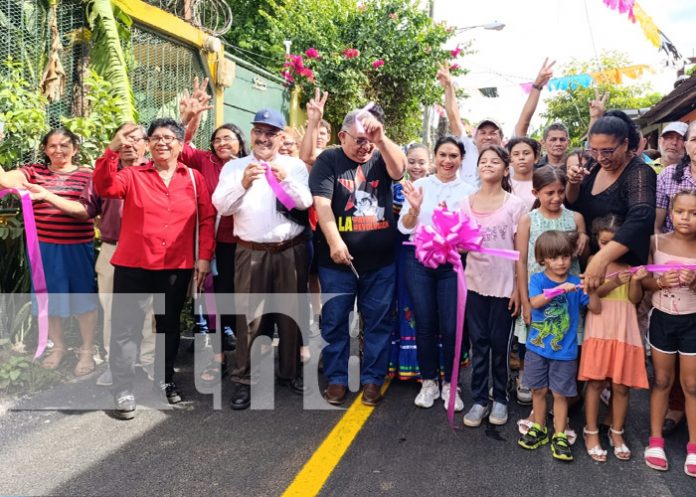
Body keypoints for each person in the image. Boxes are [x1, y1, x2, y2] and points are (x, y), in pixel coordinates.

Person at [94, 120, 215, 419]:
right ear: (147, 144)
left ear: (179, 144)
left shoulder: (195, 178)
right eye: (156, 138)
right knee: (125, 328)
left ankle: (164, 380)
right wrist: (112, 148)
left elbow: (207, 220)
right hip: (133, 265)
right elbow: (105, 186)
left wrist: (203, 259)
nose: (162, 142)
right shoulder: (133, 175)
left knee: (168, 326)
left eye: (169, 138)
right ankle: (122, 389)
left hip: (176, 266)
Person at [213, 108, 312, 410]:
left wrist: (286, 182)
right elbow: (221, 206)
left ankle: (290, 372)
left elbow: (305, 202)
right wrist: (242, 182)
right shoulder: (235, 167)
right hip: (251, 251)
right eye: (259, 131)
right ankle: (244, 380)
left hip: (289, 250)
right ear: (251, 133)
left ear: (282, 137)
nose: (263, 138)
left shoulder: (294, 166)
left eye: (271, 133)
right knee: (249, 318)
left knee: (290, 315)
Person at [309, 105, 406, 407]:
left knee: (377, 322)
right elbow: (322, 205)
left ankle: (373, 379)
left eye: (369, 140)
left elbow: (399, 170)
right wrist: (335, 241)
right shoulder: (329, 160)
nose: (365, 146)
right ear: (342, 136)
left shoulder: (381, 154)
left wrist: (382, 139)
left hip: (380, 263)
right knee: (336, 321)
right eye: (359, 140)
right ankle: (337, 379)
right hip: (337, 263)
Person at [0, 128, 98, 376]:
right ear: (45, 150)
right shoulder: (34, 172)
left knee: (83, 300)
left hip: (78, 248)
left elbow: (85, 211)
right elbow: (5, 181)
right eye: (53, 146)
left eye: (65, 145)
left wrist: (46, 195)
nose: (59, 150)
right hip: (44, 249)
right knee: (48, 298)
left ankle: (87, 351)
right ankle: (58, 348)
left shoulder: (89, 175)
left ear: (75, 149)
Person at [179, 81, 249, 384]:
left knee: (244, 301)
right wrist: (189, 119)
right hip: (216, 243)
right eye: (218, 139)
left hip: (248, 243)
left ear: (240, 143)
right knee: (219, 300)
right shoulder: (204, 161)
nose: (222, 143)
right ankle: (220, 357)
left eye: (228, 139)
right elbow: (179, 147)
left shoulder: (250, 164)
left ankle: (246, 359)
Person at [398, 136, 475, 409]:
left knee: (452, 326)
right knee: (426, 322)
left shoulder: (469, 191)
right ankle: (429, 381)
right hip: (420, 264)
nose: (447, 161)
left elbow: (472, 231)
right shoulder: (419, 186)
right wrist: (415, 210)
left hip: (452, 266)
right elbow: (404, 227)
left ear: (461, 159)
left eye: (454, 156)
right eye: (443, 154)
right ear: (435, 156)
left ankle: (451, 384)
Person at [77, 124, 157, 387]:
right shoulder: (104, 173)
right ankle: (116, 364)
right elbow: (86, 208)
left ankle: (149, 362)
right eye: (123, 139)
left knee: (152, 313)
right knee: (113, 312)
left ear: (147, 144)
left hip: (150, 251)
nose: (129, 144)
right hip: (113, 249)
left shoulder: (156, 171)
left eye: (136, 139)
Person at [517, 230, 601, 462]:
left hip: (564, 352)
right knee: (538, 390)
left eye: (565, 257)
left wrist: (590, 288)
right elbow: (535, 303)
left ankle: (560, 434)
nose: (561, 262)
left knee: (561, 394)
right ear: (543, 259)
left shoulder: (575, 282)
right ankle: (539, 427)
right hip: (537, 348)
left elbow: (596, 308)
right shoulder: (537, 280)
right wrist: (557, 290)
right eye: (554, 258)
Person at [460, 145, 526, 427]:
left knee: (500, 346)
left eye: (495, 161)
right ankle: (479, 400)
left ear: (505, 169)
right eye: (483, 161)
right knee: (479, 345)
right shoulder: (466, 202)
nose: (488, 164)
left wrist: (517, 291)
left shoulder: (515, 205)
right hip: (473, 285)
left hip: (503, 289)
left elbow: (520, 255)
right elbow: (462, 246)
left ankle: (500, 397)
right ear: (477, 168)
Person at [514, 166, 587, 407]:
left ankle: (562, 406)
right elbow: (522, 262)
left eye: (560, 191)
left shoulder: (575, 218)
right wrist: (525, 302)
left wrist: (584, 236)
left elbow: (581, 253)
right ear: (535, 192)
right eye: (549, 193)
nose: (556, 198)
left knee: (565, 348)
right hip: (538, 298)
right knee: (536, 350)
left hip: (568, 299)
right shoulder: (528, 220)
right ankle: (537, 408)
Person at [578, 214, 649, 463]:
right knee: (595, 382)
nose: (607, 249)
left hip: (624, 328)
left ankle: (617, 432)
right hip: (600, 327)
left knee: (621, 385)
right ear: (597, 240)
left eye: (613, 243)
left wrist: (636, 281)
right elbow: (593, 298)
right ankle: (591, 431)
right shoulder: (593, 264)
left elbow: (633, 298)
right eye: (603, 243)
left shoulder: (630, 265)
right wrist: (614, 280)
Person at [566, 110, 656, 293]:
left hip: (622, 276)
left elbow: (642, 218)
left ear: (625, 144)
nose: (600, 157)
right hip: (587, 265)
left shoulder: (639, 173)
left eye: (607, 151)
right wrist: (573, 183)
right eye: (594, 150)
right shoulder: (593, 165)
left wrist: (601, 259)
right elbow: (573, 204)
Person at [642, 190, 696, 477]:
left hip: (693, 322)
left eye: (694, 213)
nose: (686, 218)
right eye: (681, 212)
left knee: (692, 385)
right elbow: (645, 284)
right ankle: (655, 440)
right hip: (662, 318)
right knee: (662, 380)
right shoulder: (656, 242)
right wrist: (660, 281)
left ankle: (694, 447)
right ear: (670, 212)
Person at [653, 120, 695, 436]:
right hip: (673, 259)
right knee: (671, 366)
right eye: (694, 139)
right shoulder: (669, 175)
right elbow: (658, 221)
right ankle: (676, 408)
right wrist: (659, 257)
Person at [389, 142, 432, 381]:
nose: (416, 166)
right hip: (401, 254)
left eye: (422, 162)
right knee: (403, 302)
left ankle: (426, 365)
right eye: (412, 161)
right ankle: (401, 363)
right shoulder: (397, 188)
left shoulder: (436, 188)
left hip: (430, 255)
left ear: (430, 164)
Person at [437, 62, 503, 188]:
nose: (487, 137)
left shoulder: (508, 158)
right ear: (475, 137)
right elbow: (453, 118)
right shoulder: (467, 149)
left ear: (501, 138)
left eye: (492, 133)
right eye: (483, 133)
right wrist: (449, 86)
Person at [655, 121, 693, 233]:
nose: (674, 143)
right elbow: (656, 224)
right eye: (669, 137)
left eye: (680, 138)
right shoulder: (648, 171)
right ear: (660, 141)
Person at [507, 136, 541, 210]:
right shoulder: (503, 185)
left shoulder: (544, 184)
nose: (521, 157)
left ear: (536, 157)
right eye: (516, 154)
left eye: (526, 153)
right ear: (509, 158)